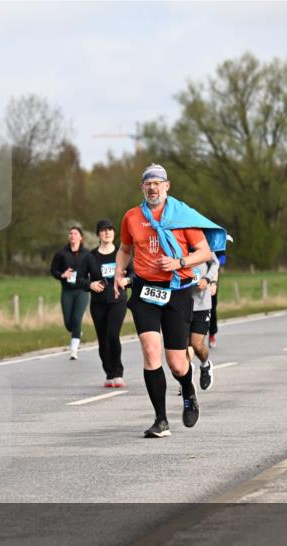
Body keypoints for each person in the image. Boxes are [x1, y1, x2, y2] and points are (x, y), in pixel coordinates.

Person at [113, 164, 225, 438]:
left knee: (176, 363)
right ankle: (160, 420)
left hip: (177, 291)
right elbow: (125, 249)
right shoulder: (131, 217)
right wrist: (119, 272)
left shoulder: (182, 217)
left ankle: (188, 390)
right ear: (142, 188)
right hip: (145, 291)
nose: (153, 188)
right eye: (148, 183)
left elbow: (204, 252)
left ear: (167, 186)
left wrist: (179, 262)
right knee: (151, 350)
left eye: (157, 183)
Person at [88, 219, 131, 387]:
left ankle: (118, 373)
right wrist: (90, 284)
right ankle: (109, 373)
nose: (107, 233)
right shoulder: (91, 256)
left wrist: (126, 280)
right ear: (98, 234)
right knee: (103, 339)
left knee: (112, 335)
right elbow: (82, 279)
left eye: (110, 230)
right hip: (98, 303)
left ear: (114, 233)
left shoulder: (121, 253)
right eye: (103, 230)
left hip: (117, 301)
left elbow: (134, 273)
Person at [50, 225, 97, 360]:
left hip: (82, 291)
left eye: (75, 233)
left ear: (80, 237)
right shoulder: (61, 254)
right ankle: (76, 332)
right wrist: (62, 275)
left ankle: (74, 349)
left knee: (77, 319)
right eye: (70, 233)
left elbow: (93, 270)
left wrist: (90, 278)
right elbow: (53, 270)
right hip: (67, 290)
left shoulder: (87, 254)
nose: (72, 236)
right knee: (68, 322)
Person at [188, 251, 220, 389]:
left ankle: (205, 364)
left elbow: (215, 262)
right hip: (181, 303)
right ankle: (186, 379)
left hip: (201, 304)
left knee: (196, 344)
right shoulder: (174, 241)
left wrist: (208, 280)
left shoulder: (201, 242)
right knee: (182, 346)